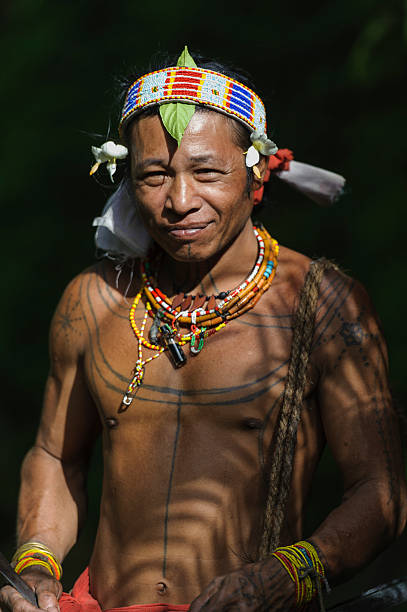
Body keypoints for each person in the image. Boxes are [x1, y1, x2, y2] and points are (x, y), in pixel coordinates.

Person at [1, 47, 406, 612]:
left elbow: (381, 495)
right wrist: (37, 564)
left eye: (208, 172)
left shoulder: (322, 305)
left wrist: (287, 575)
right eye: (155, 176)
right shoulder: (94, 301)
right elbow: (54, 454)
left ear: (256, 173)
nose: (181, 201)